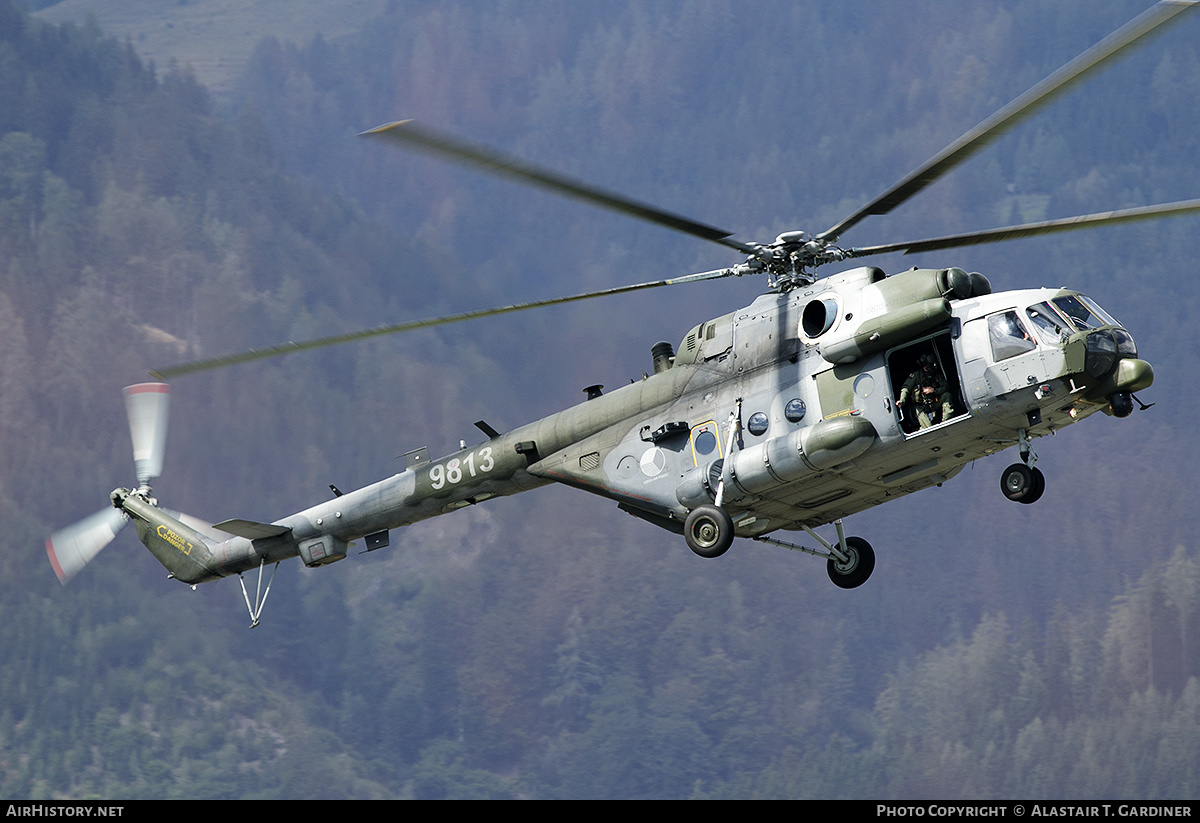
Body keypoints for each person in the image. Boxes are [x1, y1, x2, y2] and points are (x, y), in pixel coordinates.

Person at [898, 353, 955, 429]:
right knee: (928, 428)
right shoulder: (916, 376)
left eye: (930, 366)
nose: (929, 369)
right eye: (927, 367)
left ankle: (947, 422)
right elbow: (906, 388)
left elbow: (945, 387)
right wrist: (902, 401)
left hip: (933, 403)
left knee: (947, 395)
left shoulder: (937, 375)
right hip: (920, 406)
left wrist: (934, 391)